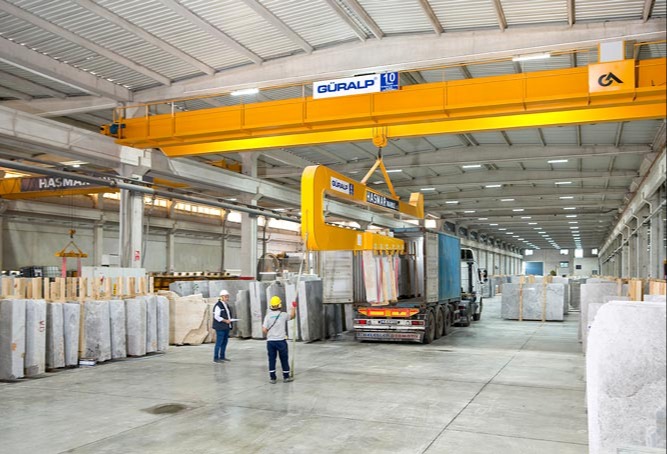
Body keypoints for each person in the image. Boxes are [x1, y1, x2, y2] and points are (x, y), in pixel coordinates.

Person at [262, 296, 296, 384]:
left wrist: (270, 334)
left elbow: (264, 329)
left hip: (270, 342)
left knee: (272, 359)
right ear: (279, 305)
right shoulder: (283, 315)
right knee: (284, 359)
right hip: (281, 341)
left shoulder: (268, 316)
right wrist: (293, 307)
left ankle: (272, 378)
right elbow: (292, 316)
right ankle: (286, 377)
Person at [212, 289, 233, 363]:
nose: (227, 298)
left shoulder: (226, 305)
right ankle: (216, 358)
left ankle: (222, 356)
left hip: (226, 327)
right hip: (220, 327)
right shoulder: (218, 306)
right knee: (219, 342)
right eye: (226, 296)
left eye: (228, 296)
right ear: (221, 297)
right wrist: (225, 320)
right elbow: (216, 317)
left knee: (224, 342)